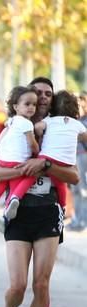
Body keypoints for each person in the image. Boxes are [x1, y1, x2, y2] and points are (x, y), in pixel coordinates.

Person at [0, 77, 79, 307]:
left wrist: (47, 165)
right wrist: (23, 171)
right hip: (19, 212)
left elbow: (74, 176)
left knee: (41, 284)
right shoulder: (14, 129)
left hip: (48, 211)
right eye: (36, 93)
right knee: (17, 286)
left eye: (47, 94)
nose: (41, 98)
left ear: (52, 100)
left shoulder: (59, 130)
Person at [0, 86, 39, 231]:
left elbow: (7, 127)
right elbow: (31, 143)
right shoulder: (27, 123)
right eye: (27, 104)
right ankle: (13, 202)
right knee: (29, 177)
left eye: (34, 104)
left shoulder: (11, 121)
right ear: (16, 106)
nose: (31, 107)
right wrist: (37, 150)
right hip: (17, 161)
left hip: (3, 160)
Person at [66, 91, 87, 231]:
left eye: (81, 102)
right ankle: (77, 219)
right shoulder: (74, 120)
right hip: (73, 157)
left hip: (83, 157)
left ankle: (83, 221)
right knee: (75, 190)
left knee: (84, 190)